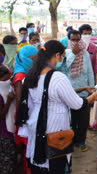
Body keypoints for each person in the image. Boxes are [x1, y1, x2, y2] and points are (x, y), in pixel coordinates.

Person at [17, 40, 97, 173]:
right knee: (55, 164)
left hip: (35, 124)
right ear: (57, 55)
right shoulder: (58, 78)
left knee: (38, 165)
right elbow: (76, 104)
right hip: (54, 127)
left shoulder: (31, 76)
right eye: (62, 56)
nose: (62, 60)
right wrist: (92, 98)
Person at [57, 30, 94, 152]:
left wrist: (92, 90)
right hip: (69, 92)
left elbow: (89, 72)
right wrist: (73, 54)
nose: (76, 42)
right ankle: (70, 141)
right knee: (70, 119)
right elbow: (62, 68)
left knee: (83, 120)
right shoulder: (66, 54)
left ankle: (81, 141)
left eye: (78, 39)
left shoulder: (86, 54)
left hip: (84, 92)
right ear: (69, 41)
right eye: (73, 40)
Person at [13, 45, 38, 174]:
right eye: (32, 59)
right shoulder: (20, 75)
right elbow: (20, 101)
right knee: (28, 147)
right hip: (24, 116)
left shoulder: (23, 70)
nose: (34, 62)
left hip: (25, 114)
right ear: (24, 59)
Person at [0, 66, 16, 174]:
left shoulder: (7, 88)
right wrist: (9, 100)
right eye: (5, 80)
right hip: (3, 132)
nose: (8, 82)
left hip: (8, 130)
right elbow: (1, 115)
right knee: (6, 162)